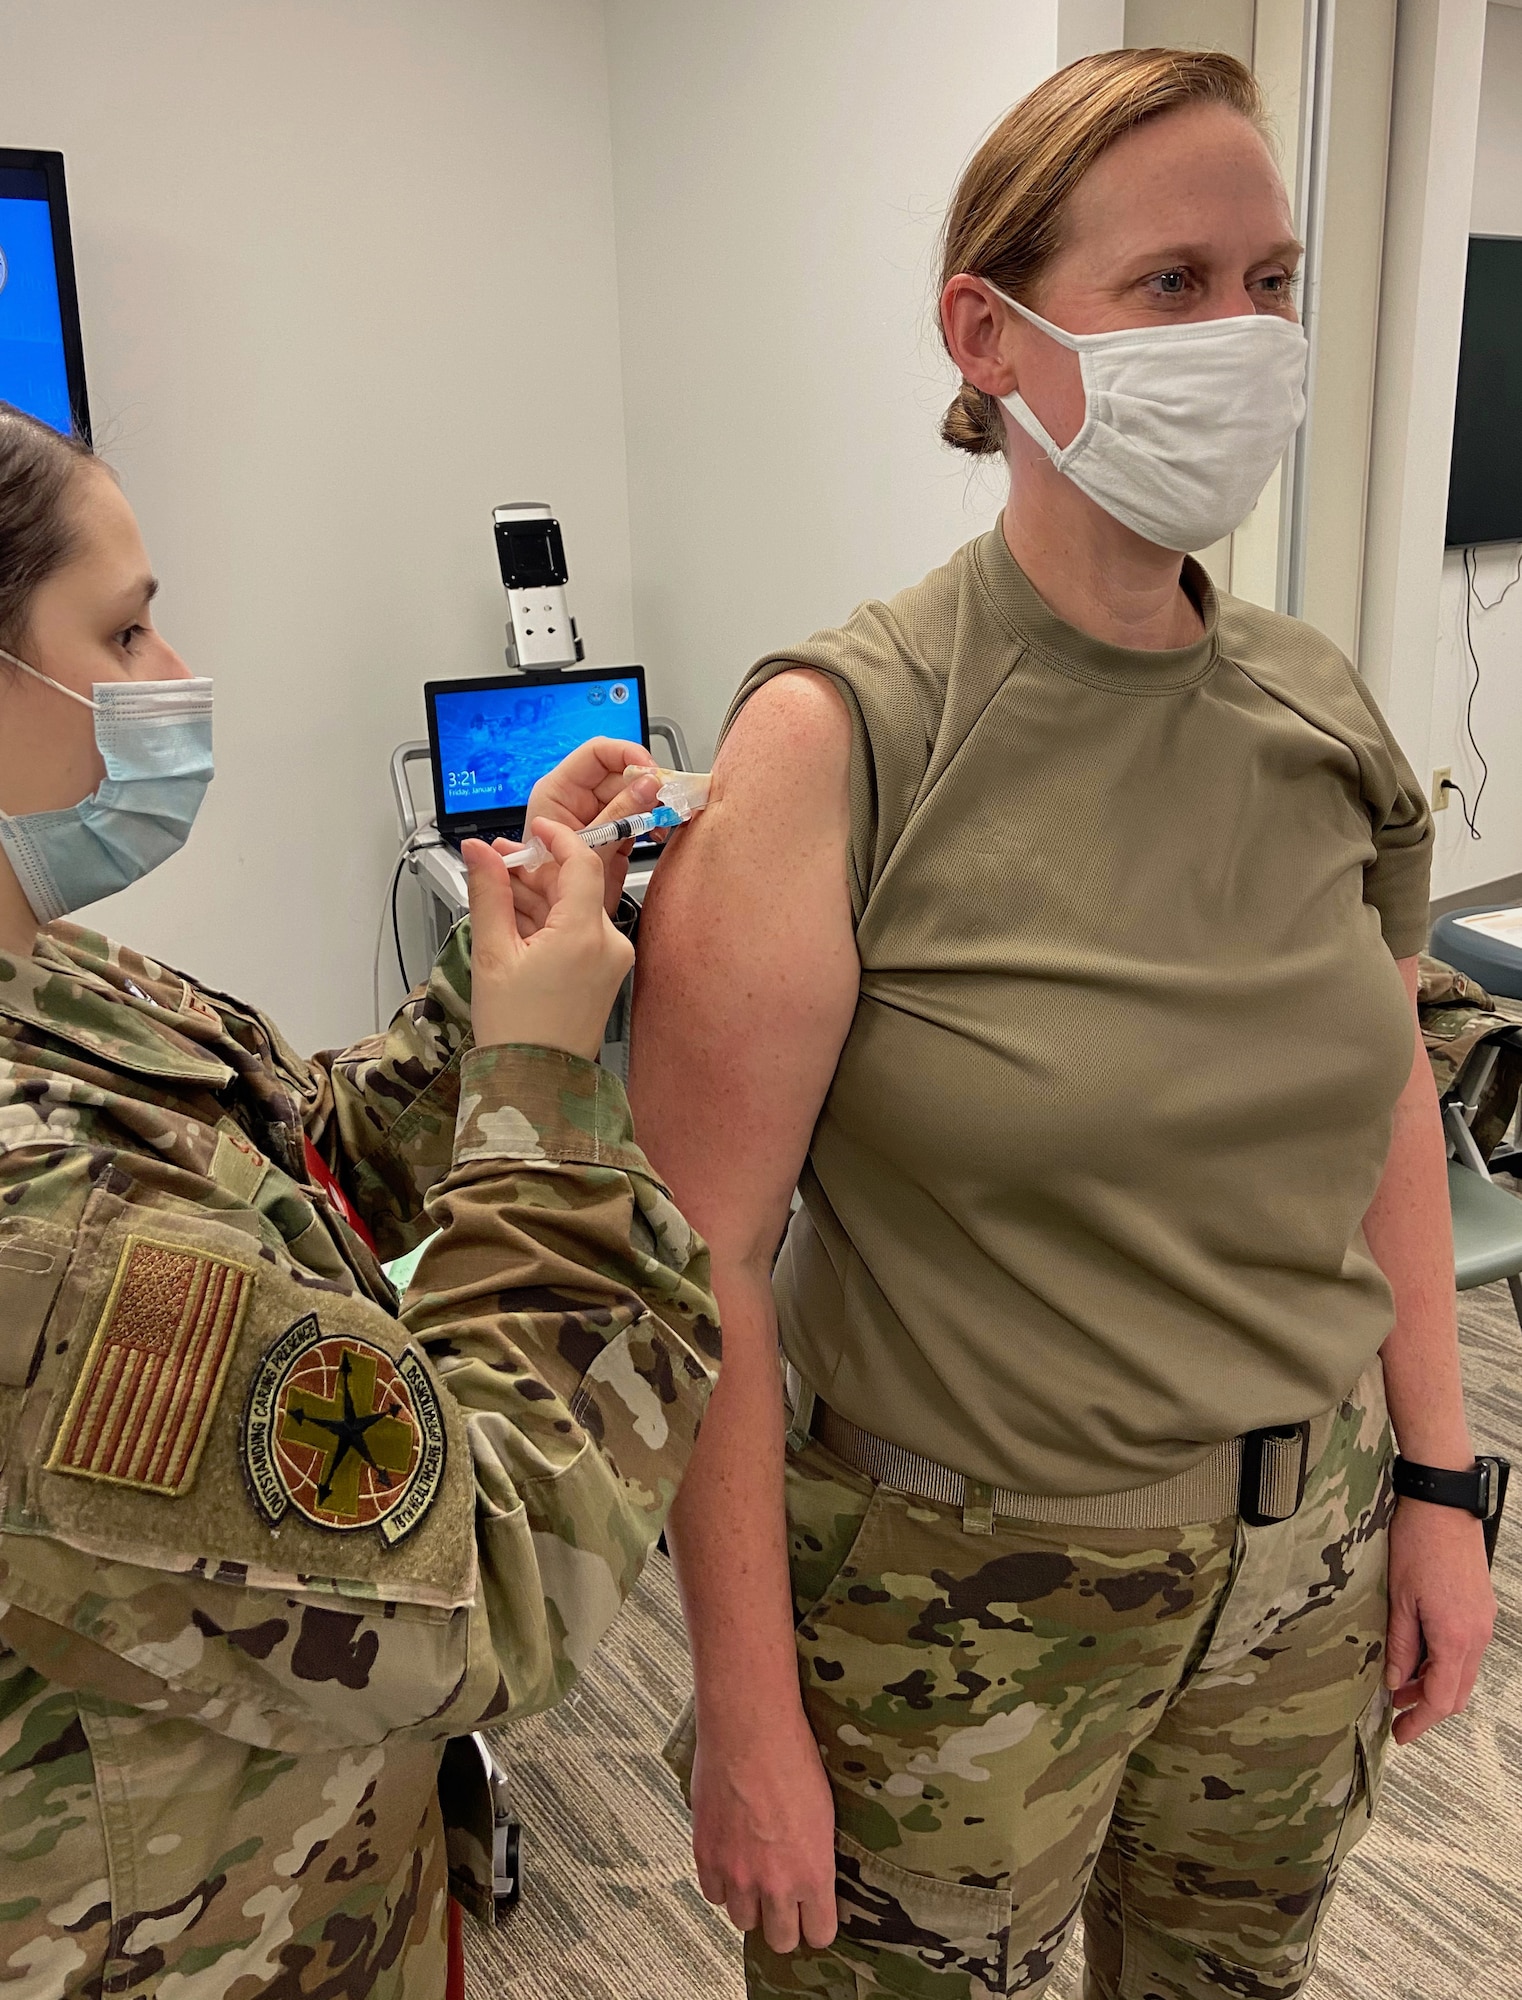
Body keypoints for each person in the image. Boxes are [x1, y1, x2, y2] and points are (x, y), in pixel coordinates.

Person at [630, 48, 1497, 2000]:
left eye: (1266, 282)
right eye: (1171, 284)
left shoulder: (1315, 718)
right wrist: (749, 1711)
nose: (1244, 339)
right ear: (988, 333)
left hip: (1298, 1575)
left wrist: (1436, 1489)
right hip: (950, 1613)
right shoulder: (841, 742)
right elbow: (698, 1269)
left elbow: (1382, 1124)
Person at [0, 402, 719, 1998]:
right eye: (121, 630)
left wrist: (500, 959)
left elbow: (301, 1161)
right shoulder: (41, 1226)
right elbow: (487, 1573)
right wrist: (544, 1092)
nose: (173, 667)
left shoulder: (55, 975)